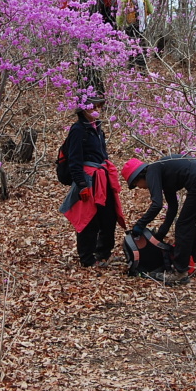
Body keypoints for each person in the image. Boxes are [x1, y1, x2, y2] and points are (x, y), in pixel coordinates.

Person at [121, 155, 196, 285]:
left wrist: (140, 224)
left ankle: (180, 272)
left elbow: (157, 204)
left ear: (139, 176)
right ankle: (191, 262)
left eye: (136, 185)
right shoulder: (163, 171)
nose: (141, 188)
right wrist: (161, 233)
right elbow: (173, 207)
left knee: (183, 226)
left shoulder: (152, 171)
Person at [59, 96, 126, 267]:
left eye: (98, 106)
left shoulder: (98, 129)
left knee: (109, 216)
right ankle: (87, 259)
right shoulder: (78, 130)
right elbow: (74, 161)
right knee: (89, 219)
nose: (96, 109)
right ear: (83, 109)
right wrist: (81, 185)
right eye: (92, 106)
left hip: (102, 178)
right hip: (88, 179)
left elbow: (103, 155)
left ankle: (103, 254)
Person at [116, 0, 154, 68]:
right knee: (141, 46)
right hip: (141, 26)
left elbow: (120, 12)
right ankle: (142, 70)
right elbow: (151, 10)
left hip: (129, 25)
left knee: (130, 46)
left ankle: (130, 69)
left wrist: (119, 24)